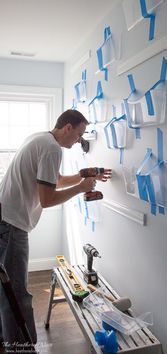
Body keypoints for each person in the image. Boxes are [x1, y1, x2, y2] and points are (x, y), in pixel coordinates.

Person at [0, 109, 111, 351]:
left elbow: (56, 179)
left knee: (6, 290)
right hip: (10, 225)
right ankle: (21, 348)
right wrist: (82, 188)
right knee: (16, 295)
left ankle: (6, 338)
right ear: (67, 128)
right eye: (79, 134)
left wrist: (84, 175)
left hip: (5, 218)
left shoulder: (40, 138)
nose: (79, 140)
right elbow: (47, 199)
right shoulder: (52, 149)